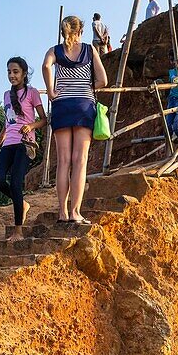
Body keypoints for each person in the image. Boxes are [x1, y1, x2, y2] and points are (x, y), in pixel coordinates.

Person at [42, 16, 108, 225]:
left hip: (61, 106)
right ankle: (75, 213)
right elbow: (103, 81)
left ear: (64, 32)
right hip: (83, 107)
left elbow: (45, 66)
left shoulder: (55, 50)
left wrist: (52, 91)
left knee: (63, 161)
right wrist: (86, 86)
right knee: (80, 161)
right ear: (81, 31)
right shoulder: (89, 50)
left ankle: (62, 213)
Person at [0, 56, 46, 228]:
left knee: (15, 182)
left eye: (15, 72)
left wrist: (31, 125)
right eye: (9, 72)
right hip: (8, 144)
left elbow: (44, 120)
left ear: (24, 73)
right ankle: (22, 203)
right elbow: (7, 125)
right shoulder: (6, 95)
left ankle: (18, 229)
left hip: (25, 144)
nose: (12, 75)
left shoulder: (32, 93)